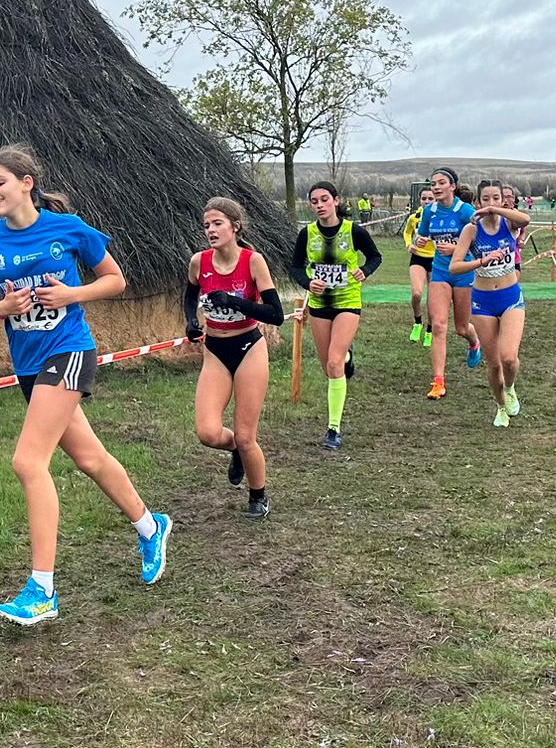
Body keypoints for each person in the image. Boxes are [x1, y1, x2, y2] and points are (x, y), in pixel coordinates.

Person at [0, 147, 172, 626]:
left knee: (27, 461)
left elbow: (115, 280)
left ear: (26, 183)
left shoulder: (68, 228)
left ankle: (42, 590)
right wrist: (1, 309)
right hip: (28, 365)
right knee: (89, 458)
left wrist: (72, 293)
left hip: (71, 350)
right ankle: (150, 526)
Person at [185, 197, 283, 518]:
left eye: (217, 223)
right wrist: (191, 321)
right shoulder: (199, 262)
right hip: (215, 350)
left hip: (248, 348)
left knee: (245, 435)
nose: (210, 230)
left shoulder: (253, 262)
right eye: (206, 225)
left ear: (235, 227)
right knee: (207, 433)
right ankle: (236, 451)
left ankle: (258, 495)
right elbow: (190, 295)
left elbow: (275, 314)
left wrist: (234, 302)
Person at [288, 182, 381, 449]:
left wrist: (364, 271)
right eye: (314, 201)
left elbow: (375, 257)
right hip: (320, 304)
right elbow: (295, 267)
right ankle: (347, 356)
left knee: (334, 362)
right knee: (328, 367)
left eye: (324, 199)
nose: (319, 205)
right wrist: (308, 283)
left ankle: (333, 428)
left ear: (336, 201)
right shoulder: (307, 234)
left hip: (347, 301)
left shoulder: (354, 231)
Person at [445, 183, 532, 427]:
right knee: (494, 364)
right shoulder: (471, 230)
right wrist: (481, 261)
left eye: (495, 198)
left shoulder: (509, 223)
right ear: (478, 202)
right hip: (483, 301)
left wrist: (497, 210)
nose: (490, 203)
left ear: (503, 201)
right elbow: (454, 266)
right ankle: (501, 407)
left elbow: (526, 219)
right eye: (486, 199)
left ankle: (510, 388)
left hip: (510, 297)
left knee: (509, 358)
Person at [418, 168, 480, 400]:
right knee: (438, 325)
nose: (436, 187)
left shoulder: (465, 211)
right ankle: (438, 382)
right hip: (440, 272)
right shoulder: (429, 211)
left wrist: (456, 248)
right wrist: (420, 240)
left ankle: (474, 343)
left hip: (463, 272)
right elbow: (423, 234)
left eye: (441, 183)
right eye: (433, 183)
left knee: (461, 328)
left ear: (452, 186)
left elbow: (480, 239)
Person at [400, 198, 435, 345]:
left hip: (436, 260)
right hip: (418, 258)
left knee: (433, 299)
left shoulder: (440, 217)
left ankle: (429, 331)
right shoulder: (414, 217)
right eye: (424, 198)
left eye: (430, 199)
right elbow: (407, 232)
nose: (427, 201)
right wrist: (409, 245)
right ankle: (417, 322)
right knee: (417, 294)